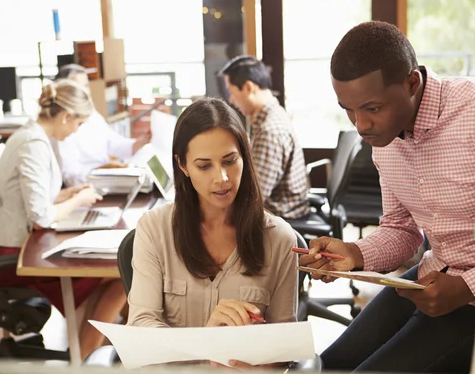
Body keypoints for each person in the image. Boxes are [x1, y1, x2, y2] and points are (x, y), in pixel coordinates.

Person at [299, 21, 475, 373]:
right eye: (348, 110)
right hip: (437, 276)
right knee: (329, 366)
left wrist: (467, 287)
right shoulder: (384, 142)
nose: (360, 125)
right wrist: (356, 253)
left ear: (412, 83)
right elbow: (402, 230)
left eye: (371, 108)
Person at [127, 97, 298, 369]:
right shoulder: (154, 229)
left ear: (244, 156)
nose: (222, 178)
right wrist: (206, 341)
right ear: (182, 165)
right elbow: (140, 326)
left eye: (230, 161)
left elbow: (282, 351)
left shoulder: (280, 239)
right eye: (204, 166)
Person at [0, 80, 127, 360]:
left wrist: (64, 194)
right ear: (65, 116)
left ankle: (85, 349)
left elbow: (32, 199)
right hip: (16, 257)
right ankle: (84, 353)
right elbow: (40, 217)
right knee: (119, 275)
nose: (76, 130)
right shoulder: (33, 145)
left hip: (23, 246)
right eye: (79, 124)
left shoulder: (32, 137)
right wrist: (78, 200)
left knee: (114, 275)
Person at [219, 56, 310, 220]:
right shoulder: (268, 115)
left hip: (281, 215)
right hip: (278, 206)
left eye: (231, 92)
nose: (231, 100)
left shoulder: (269, 130)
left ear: (248, 88)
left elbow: (255, 195)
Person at [53, 64, 153, 186]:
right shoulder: (63, 127)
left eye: (86, 86)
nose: (85, 92)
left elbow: (115, 144)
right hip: (89, 186)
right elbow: (71, 179)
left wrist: (141, 142)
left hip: (105, 181)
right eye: (79, 87)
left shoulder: (93, 115)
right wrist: (102, 170)